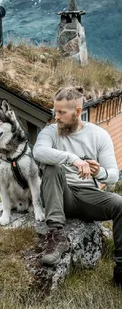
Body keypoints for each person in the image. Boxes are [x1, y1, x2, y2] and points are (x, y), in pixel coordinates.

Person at [33, 86, 122, 288]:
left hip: (88, 196)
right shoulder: (50, 132)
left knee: (120, 203)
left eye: (62, 112)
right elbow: (38, 152)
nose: (56, 117)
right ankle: (57, 236)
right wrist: (72, 159)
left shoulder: (99, 135)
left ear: (78, 112)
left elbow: (113, 177)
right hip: (59, 194)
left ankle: (121, 269)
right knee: (52, 167)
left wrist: (98, 172)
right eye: (55, 111)